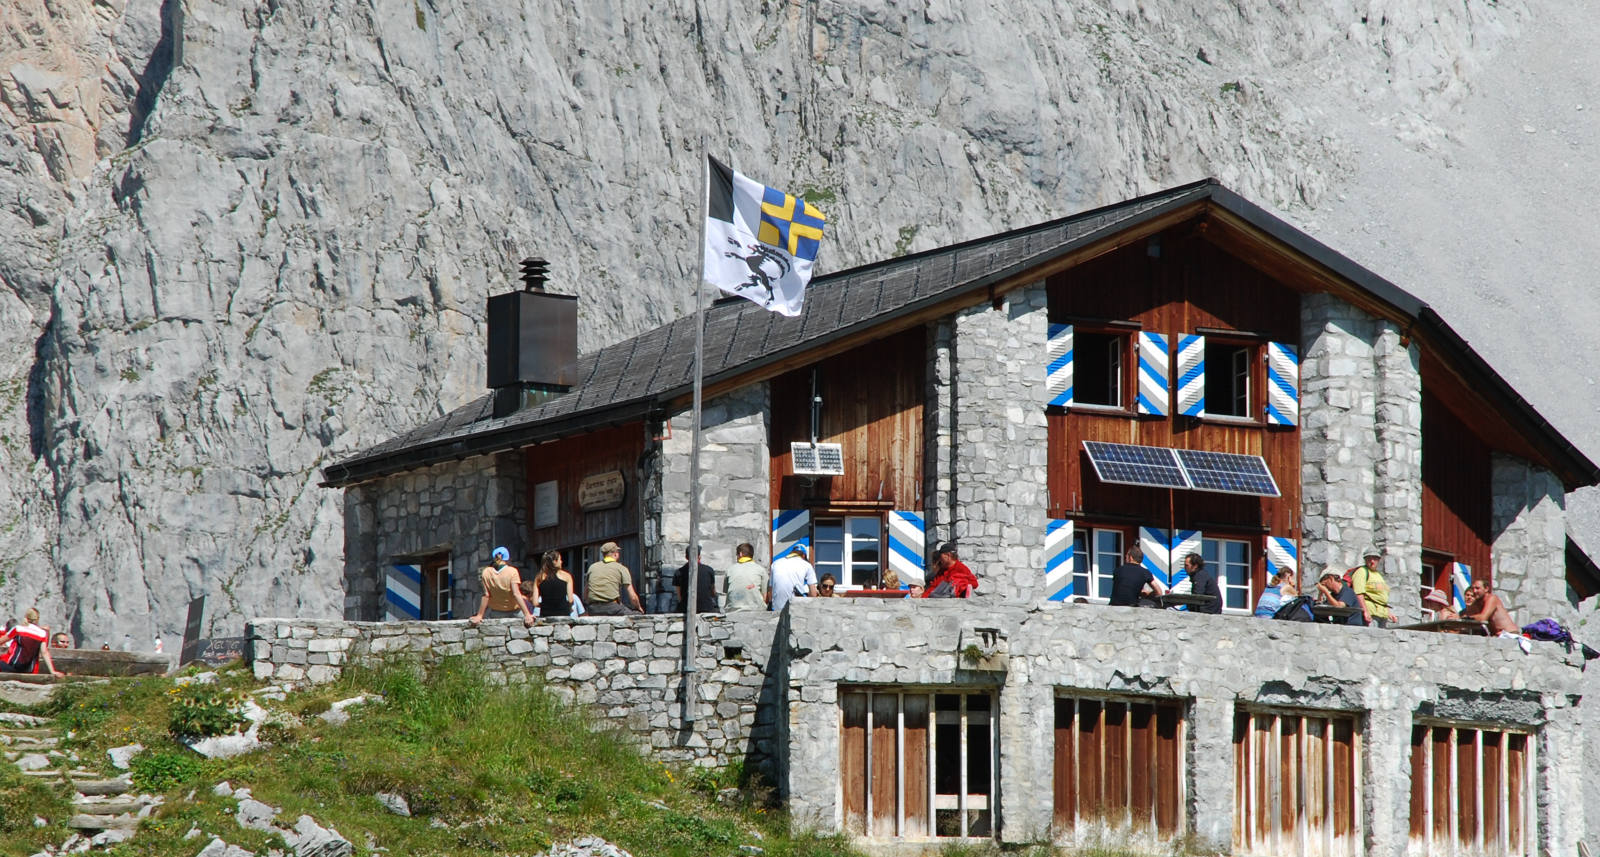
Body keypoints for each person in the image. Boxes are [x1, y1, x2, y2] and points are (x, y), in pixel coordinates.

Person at [469, 546, 536, 627]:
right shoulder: (512, 571)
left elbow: (486, 595)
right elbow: (516, 594)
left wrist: (479, 615)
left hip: (496, 612)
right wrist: (527, 614)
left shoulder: (486, 572)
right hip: (514, 611)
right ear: (507, 558)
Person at [586, 541, 643, 615]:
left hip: (593, 609)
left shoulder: (592, 567)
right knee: (637, 616)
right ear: (615, 554)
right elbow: (633, 597)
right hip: (612, 607)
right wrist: (638, 608)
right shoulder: (621, 568)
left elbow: (586, 593)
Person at [1, 608, 61, 676]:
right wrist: (53, 671)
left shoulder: (18, 629)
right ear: (37, 619)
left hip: (13, 666)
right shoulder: (42, 633)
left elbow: (1, 641)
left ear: (26, 617)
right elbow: (44, 652)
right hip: (30, 670)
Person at [1348, 547, 1394, 628]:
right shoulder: (1361, 572)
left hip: (1382, 614)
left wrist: (1388, 613)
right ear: (1365, 560)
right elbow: (1359, 593)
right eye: (1369, 558)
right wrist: (1365, 611)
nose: (1372, 561)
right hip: (1371, 613)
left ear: (1378, 560)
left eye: (1375, 559)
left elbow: (1382, 597)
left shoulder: (1378, 575)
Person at [769, 544, 818, 611]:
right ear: (803, 555)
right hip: (795, 610)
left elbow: (771, 589)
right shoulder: (807, 565)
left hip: (776, 608)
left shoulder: (775, 563)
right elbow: (813, 594)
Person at [723, 542, 769, 611]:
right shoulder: (761, 570)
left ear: (740, 554)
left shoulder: (730, 570)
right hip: (756, 610)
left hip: (732, 610)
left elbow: (727, 592)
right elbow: (765, 596)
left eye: (737, 555)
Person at [674, 546, 719, 614]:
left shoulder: (679, 572)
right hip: (707, 608)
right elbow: (713, 592)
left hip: (685, 608)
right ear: (699, 556)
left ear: (686, 557)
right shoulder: (709, 570)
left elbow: (679, 596)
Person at [531, 550, 577, 619]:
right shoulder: (567, 576)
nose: (561, 562)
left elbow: (535, 602)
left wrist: (544, 606)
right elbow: (570, 600)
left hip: (545, 614)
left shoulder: (539, 577)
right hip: (563, 614)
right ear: (554, 561)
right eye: (560, 559)